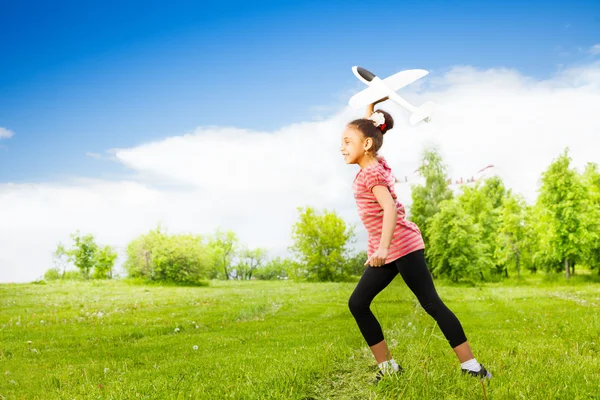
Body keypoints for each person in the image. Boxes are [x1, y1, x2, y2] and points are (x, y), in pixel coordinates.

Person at [341, 99, 491, 381]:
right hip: (385, 249)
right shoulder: (375, 162)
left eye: (348, 142)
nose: (342, 147)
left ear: (366, 146)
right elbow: (370, 133)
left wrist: (383, 248)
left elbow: (388, 209)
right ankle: (388, 369)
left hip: (401, 246)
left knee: (431, 303)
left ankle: (472, 367)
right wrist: (371, 105)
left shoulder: (372, 173)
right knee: (358, 303)